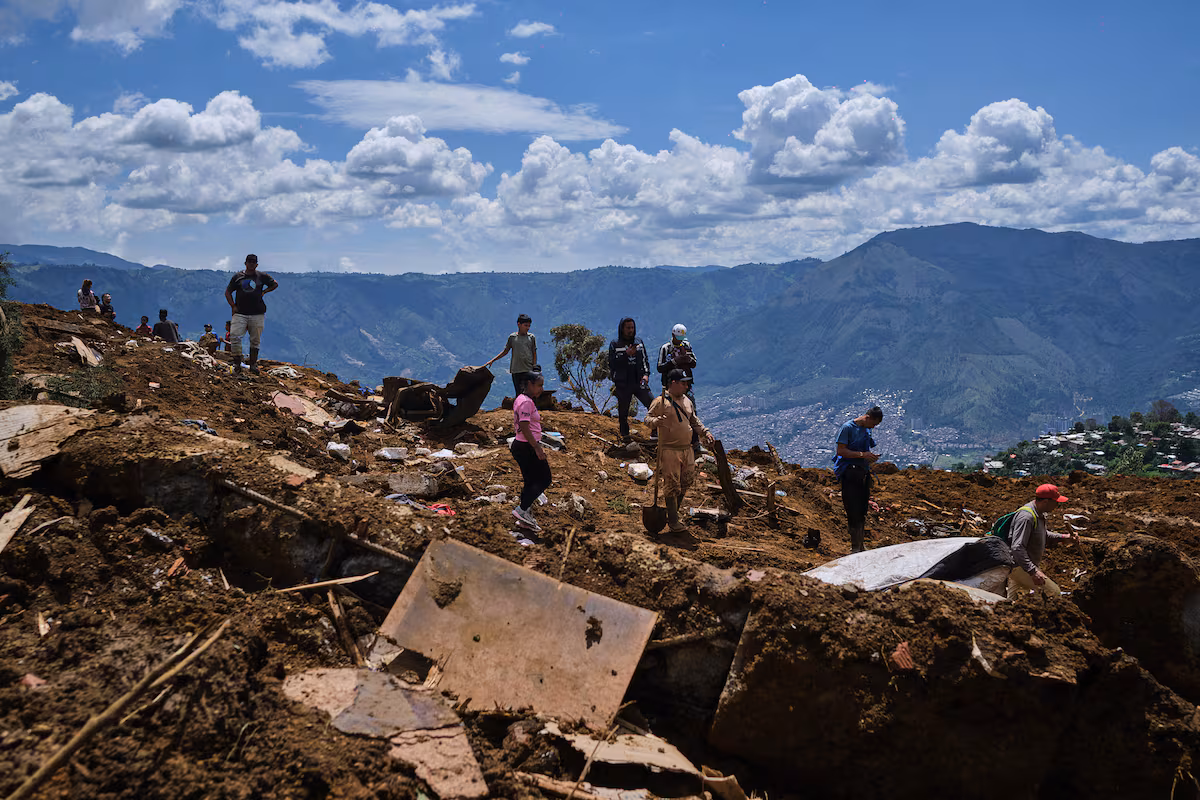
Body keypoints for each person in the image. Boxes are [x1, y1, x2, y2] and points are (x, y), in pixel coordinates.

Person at [644, 369, 715, 533]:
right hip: (669, 450)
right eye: (683, 383)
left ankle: (673, 513)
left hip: (686, 449)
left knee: (686, 481)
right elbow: (647, 419)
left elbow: (694, 420)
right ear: (673, 383)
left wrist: (705, 432)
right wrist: (655, 421)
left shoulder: (687, 401)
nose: (686, 386)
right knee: (671, 484)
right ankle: (674, 521)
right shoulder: (661, 401)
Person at [1006, 484, 1076, 600]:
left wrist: (1064, 537)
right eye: (1056, 502)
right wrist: (1033, 571)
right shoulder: (1026, 517)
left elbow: (1042, 534)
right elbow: (1017, 547)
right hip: (1019, 567)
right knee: (1053, 592)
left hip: (1022, 565)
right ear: (1046, 502)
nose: (1057, 506)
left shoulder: (1038, 514)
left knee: (1013, 601)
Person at [833, 406, 883, 553]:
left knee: (862, 509)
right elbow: (841, 451)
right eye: (873, 423)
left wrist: (870, 457)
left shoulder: (867, 429)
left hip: (863, 472)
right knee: (853, 509)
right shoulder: (848, 428)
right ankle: (855, 546)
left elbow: (866, 449)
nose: (873, 427)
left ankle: (861, 545)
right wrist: (862, 455)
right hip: (850, 472)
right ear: (867, 418)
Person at [225, 253, 279, 375]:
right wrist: (233, 306)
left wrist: (264, 291)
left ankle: (253, 365)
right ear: (245, 263)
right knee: (235, 336)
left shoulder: (262, 276)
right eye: (249, 262)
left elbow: (275, 284)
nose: (251, 264)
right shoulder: (238, 277)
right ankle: (237, 363)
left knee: (255, 339)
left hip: (257, 313)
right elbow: (228, 292)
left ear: (256, 264)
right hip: (240, 312)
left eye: (253, 262)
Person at [510, 371, 551, 533]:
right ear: (529, 384)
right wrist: (537, 448)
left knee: (530, 481)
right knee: (545, 479)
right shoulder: (526, 402)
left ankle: (524, 517)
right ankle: (521, 510)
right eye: (539, 385)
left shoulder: (521, 399)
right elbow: (525, 426)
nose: (542, 389)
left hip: (521, 445)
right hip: (527, 446)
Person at [607, 317, 655, 442]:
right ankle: (625, 436)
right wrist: (626, 354)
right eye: (628, 328)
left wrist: (646, 375)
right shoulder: (615, 344)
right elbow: (612, 363)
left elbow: (644, 360)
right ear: (622, 329)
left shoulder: (639, 342)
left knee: (653, 404)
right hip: (623, 383)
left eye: (632, 327)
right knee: (623, 411)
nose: (630, 330)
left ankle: (655, 433)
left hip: (638, 381)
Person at [485, 313, 537, 397]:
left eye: (529, 326)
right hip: (516, 370)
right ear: (519, 324)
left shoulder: (531, 337)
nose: (527, 328)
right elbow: (505, 351)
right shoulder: (512, 337)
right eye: (525, 325)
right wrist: (493, 360)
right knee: (519, 393)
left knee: (528, 393)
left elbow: (534, 352)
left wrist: (534, 366)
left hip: (528, 369)